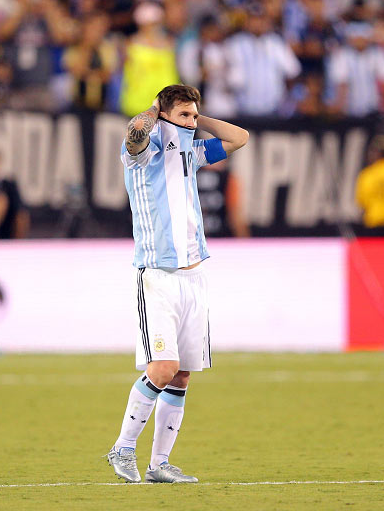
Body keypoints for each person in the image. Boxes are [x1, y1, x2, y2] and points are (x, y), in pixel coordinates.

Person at [106, 84, 249, 484]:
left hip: (195, 274)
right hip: (158, 276)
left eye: (194, 116)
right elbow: (135, 134)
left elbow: (239, 138)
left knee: (183, 374)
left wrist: (194, 119)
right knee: (164, 368)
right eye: (183, 115)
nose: (191, 123)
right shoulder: (141, 152)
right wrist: (157, 112)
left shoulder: (193, 150)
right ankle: (122, 447)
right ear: (164, 113)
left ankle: (158, 465)